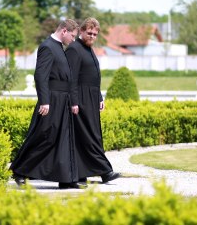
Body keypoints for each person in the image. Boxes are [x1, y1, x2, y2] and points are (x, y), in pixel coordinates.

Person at [10, 19, 86, 189]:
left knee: (64, 140)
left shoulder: (59, 47)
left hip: (63, 100)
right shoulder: (47, 46)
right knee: (45, 137)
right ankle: (20, 170)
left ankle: (66, 179)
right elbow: (40, 75)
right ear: (64, 31)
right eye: (72, 36)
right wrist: (45, 101)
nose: (73, 40)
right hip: (52, 100)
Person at [66, 17, 121, 184]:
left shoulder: (88, 49)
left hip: (90, 98)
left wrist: (99, 97)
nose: (92, 36)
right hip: (80, 100)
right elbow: (71, 78)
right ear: (81, 31)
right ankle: (105, 172)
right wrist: (74, 102)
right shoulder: (74, 49)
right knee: (89, 137)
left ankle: (82, 175)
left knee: (89, 136)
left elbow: (93, 76)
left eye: (95, 34)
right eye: (89, 33)